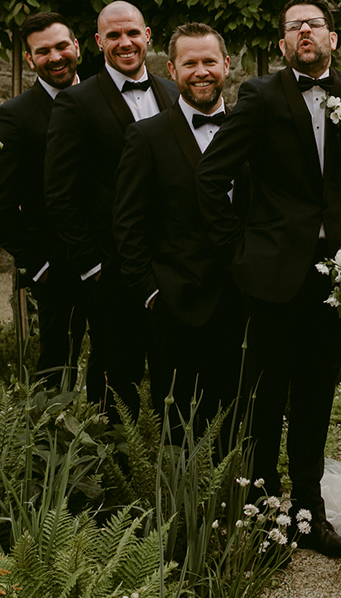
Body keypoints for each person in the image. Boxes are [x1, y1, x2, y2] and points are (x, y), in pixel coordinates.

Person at [194, 0, 341, 559]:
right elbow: (211, 175)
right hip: (269, 274)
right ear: (281, 43)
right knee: (266, 395)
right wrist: (238, 251)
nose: (304, 32)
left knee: (317, 394)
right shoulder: (259, 94)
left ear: (332, 36)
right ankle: (262, 515)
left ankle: (309, 514)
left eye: (314, 24)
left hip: (335, 273)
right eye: (293, 26)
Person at [44, 1, 177, 411]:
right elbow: (60, 192)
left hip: (172, 263)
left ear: (148, 36)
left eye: (133, 33)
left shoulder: (173, 93)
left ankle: (171, 469)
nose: (125, 43)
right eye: (114, 35)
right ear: (99, 42)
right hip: (112, 271)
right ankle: (114, 470)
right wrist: (91, 265)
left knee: (173, 372)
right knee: (116, 380)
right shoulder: (76, 103)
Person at [112, 23, 245, 431]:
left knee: (242, 418)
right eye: (190, 63)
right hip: (176, 305)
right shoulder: (146, 137)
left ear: (226, 65)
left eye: (209, 61)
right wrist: (152, 292)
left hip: (244, 300)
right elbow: (127, 223)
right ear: (172, 69)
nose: (201, 71)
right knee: (180, 425)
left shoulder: (249, 130)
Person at [0, 11, 86, 379]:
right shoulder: (14, 117)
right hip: (57, 267)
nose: (55, 57)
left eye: (61, 46)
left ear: (77, 47)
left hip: (114, 258)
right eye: (43, 52)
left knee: (118, 359)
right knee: (58, 363)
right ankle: (50, 434)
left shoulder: (105, 98)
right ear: (29, 60)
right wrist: (38, 265)